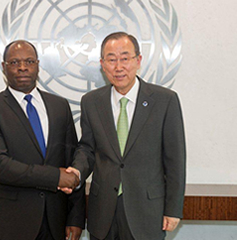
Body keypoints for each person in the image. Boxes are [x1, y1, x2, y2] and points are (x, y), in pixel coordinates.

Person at [65, 32, 186, 240]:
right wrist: (76, 171)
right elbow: (87, 148)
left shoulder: (165, 101)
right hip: (103, 211)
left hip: (147, 212)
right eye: (111, 59)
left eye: (125, 58)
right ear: (102, 64)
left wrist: (173, 209)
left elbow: (175, 160)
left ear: (138, 60)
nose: (118, 67)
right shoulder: (91, 102)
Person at [0, 40, 85, 240]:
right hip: (13, 223)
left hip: (56, 222)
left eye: (29, 61)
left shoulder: (59, 106)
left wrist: (76, 218)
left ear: (38, 65)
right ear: (3, 67)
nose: (23, 67)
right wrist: (54, 177)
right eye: (14, 62)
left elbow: (72, 161)